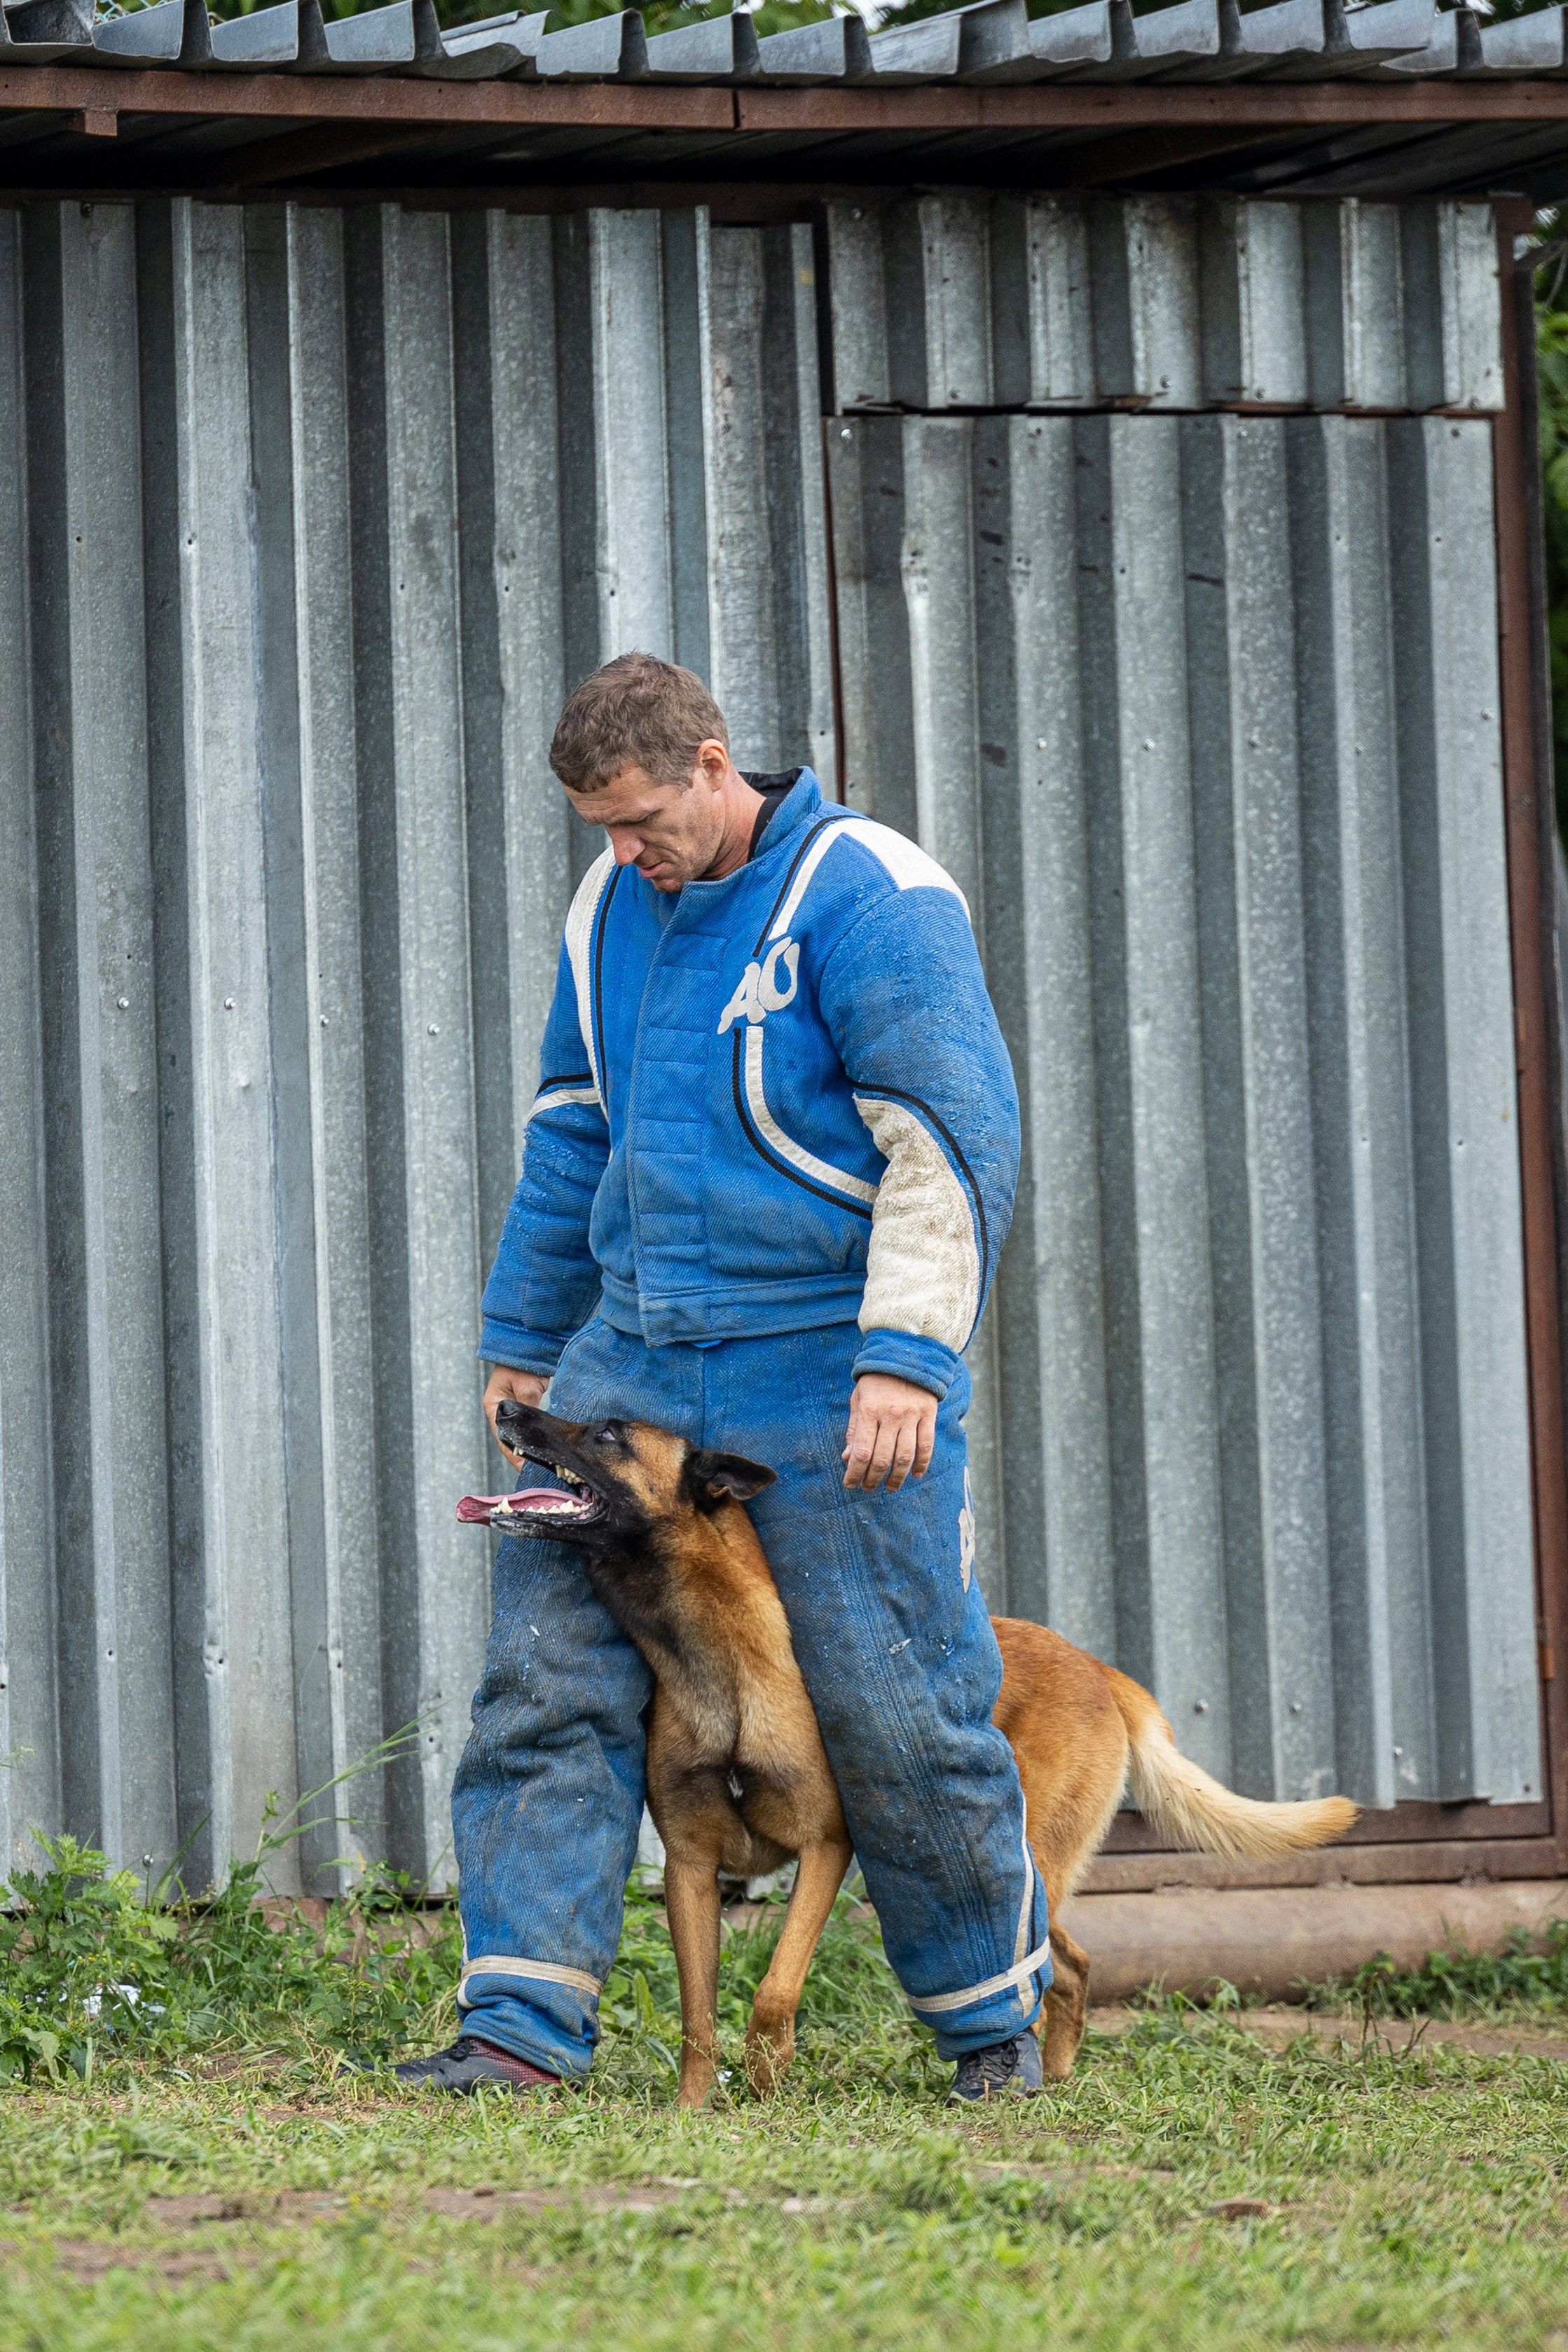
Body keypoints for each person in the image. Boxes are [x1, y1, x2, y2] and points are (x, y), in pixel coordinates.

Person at [386, 652, 1046, 2103]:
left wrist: (907, 1359)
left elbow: (950, 1138)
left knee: (893, 1688)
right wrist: (520, 1337)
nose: (629, 854)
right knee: (542, 1675)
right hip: (633, 1348)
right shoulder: (609, 906)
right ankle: (521, 2024)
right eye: (602, 831)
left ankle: (990, 2019)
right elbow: (574, 1128)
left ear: (710, 759)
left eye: (642, 819)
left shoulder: (868, 890)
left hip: (823, 1350)